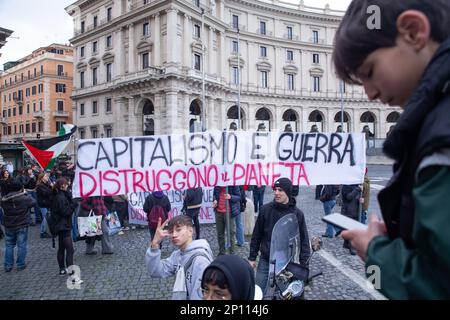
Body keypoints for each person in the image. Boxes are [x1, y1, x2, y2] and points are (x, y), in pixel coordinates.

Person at [334, 0, 450, 298]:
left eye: (370, 72)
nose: (370, 94)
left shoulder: (440, 137)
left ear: (413, 31)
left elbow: (437, 285)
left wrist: (377, 254)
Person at [248, 177, 310, 295]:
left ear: (287, 192)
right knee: (258, 292)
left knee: (285, 295)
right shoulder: (265, 210)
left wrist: (304, 266)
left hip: (288, 263)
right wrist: (252, 258)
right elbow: (256, 235)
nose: (276, 193)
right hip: (266, 260)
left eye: (280, 190)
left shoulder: (297, 214)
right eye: (275, 189)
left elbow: (304, 241)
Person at [145, 215, 213, 300]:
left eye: (178, 230)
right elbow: (156, 271)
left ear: (190, 231)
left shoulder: (200, 261)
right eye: (171, 231)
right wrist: (154, 244)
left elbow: (199, 296)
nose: (174, 235)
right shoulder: (177, 255)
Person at [51, 178, 81, 283]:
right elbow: (65, 212)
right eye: (66, 184)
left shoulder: (60, 195)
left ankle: (62, 270)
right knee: (70, 250)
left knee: (62, 248)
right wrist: (74, 204)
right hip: (63, 226)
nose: (68, 185)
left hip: (60, 225)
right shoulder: (60, 197)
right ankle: (72, 275)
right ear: (62, 185)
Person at [2, 182, 36, 272]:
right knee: (21, 245)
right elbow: (33, 202)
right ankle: (20, 264)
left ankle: (8, 265)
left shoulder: (4, 199)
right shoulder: (24, 198)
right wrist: (26, 193)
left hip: (9, 225)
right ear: (20, 188)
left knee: (9, 245)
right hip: (21, 224)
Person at [212, 185, 241, 255]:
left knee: (231, 233)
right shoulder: (217, 184)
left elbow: (239, 197)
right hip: (218, 212)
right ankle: (222, 252)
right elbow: (214, 195)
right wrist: (215, 200)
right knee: (220, 234)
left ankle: (232, 253)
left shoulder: (233, 184)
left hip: (229, 212)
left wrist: (231, 197)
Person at [340, 184, 362, 255]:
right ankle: (351, 247)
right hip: (348, 211)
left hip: (355, 211)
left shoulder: (357, 186)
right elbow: (348, 197)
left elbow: (356, 197)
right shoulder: (346, 186)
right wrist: (357, 190)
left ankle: (346, 244)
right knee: (351, 229)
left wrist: (360, 200)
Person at [36, 172, 53, 238]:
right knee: (45, 218)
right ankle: (42, 232)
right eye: (46, 176)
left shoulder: (47, 184)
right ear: (42, 178)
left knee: (46, 218)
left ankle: (44, 231)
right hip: (42, 204)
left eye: (47, 176)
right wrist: (51, 187)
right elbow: (45, 193)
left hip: (47, 203)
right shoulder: (40, 185)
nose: (47, 177)